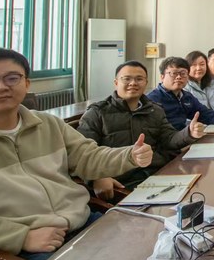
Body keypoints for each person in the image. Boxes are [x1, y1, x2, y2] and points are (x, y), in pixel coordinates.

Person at [0, 47, 153, 260]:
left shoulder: (48, 124)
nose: (1, 87)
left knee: (152, 256)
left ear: (26, 84)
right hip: (13, 252)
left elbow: (88, 157)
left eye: (12, 78)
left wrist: (130, 155)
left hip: (81, 227)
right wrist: (22, 236)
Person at [78, 61, 205, 200]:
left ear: (146, 83)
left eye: (139, 79)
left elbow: (169, 139)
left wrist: (189, 133)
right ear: (116, 82)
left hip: (157, 176)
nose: (133, 83)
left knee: (200, 194)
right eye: (127, 79)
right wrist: (97, 177)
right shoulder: (97, 113)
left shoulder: (154, 110)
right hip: (122, 184)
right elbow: (82, 153)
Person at [147, 56, 214, 130]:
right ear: (162, 77)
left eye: (183, 73)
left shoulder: (186, 97)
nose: (179, 77)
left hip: (184, 140)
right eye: (174, 73)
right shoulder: (152, 100)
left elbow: (208, 116)